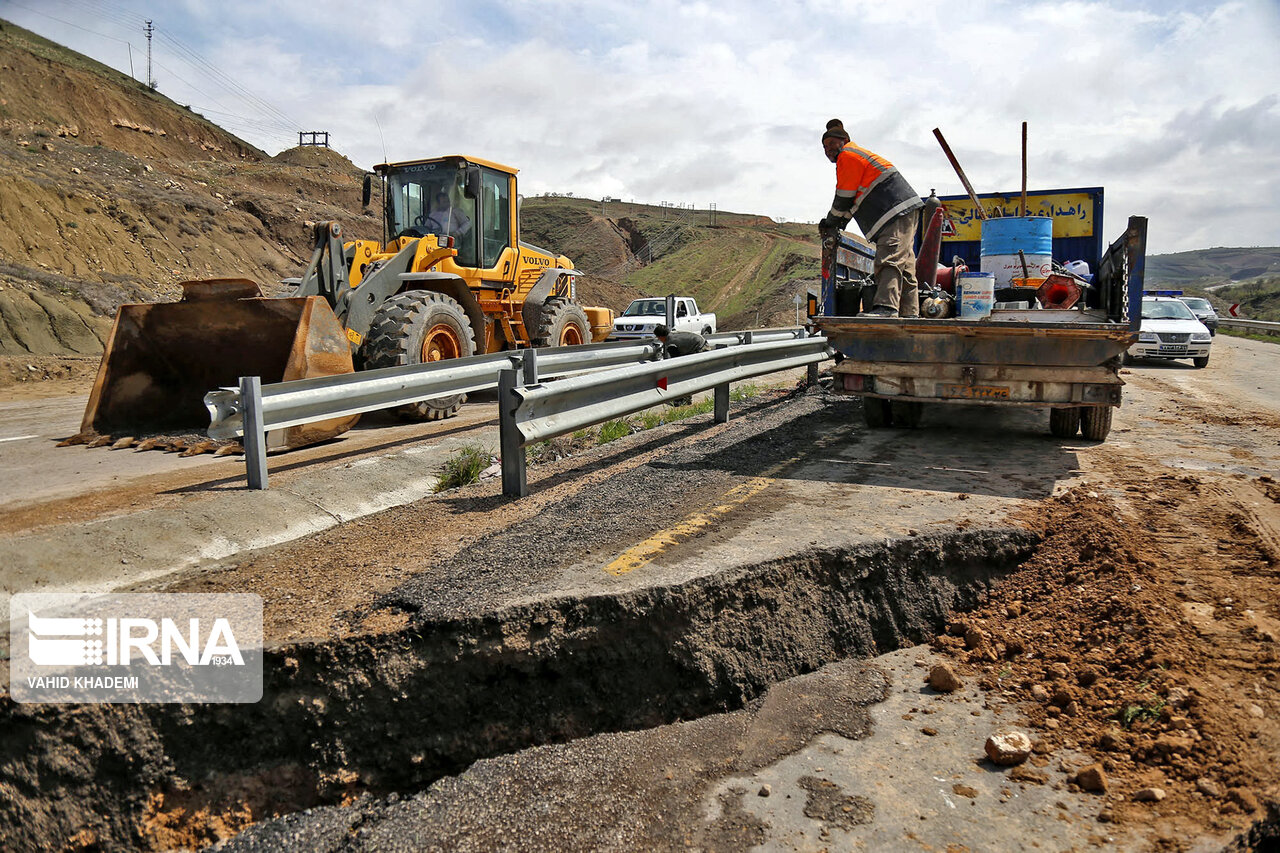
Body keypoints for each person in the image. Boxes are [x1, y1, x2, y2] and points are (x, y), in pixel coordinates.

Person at [818, 119, 924, 318]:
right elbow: (852, 204)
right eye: (824, 146)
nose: (828, 150)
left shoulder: (848, 155)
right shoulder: (859, 159)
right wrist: (839, 222)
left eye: (831, 144)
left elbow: (843, 197)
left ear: (845, 140)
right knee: (906, 266)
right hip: (903, 210)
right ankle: (910, 313)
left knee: (889, 259)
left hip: (894, 211)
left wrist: (831, 221)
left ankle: (886, 308)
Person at [653, 324, 708, 405]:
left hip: (700, 348)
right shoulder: (672, 335)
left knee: (682, 374)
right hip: (699, 344)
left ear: (661, 336)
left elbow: (677, 362)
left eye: (658, 337)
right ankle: (684, 399)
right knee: (683, 374)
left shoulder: (670, 342)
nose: (658, 339)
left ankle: (684, 400)